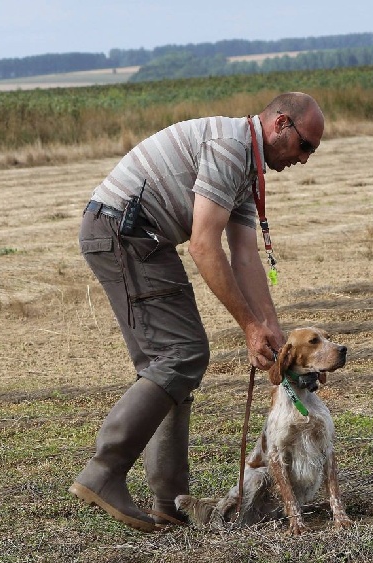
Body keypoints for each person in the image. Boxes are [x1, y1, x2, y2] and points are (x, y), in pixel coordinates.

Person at [69, 91, 325, 532]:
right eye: (306, 146)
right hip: (124, 232)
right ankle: (104, 471)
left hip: (141, 237)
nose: (305, 159)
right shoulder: (230, 148)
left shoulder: (247, 167)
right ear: (281, 123)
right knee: (181, 355)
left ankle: (168, 503)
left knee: (171, 369)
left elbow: (244, 256)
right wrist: (247, 326)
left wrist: (271, 331)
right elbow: (204, 245)